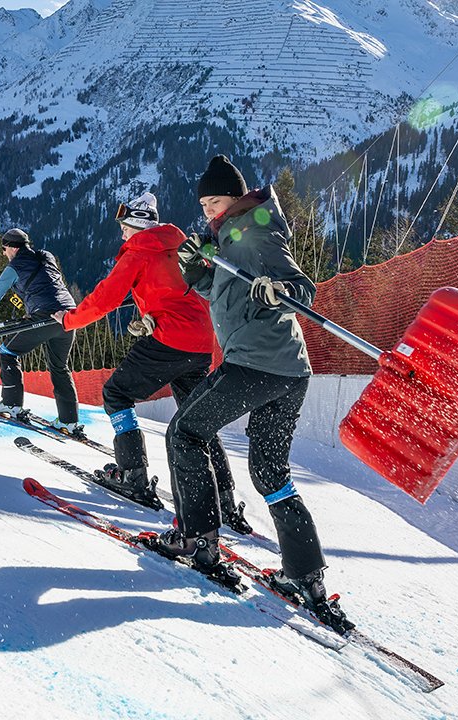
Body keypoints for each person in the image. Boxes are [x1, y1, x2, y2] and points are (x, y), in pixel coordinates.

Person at [145, 155, 353, 632]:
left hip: (257, 364)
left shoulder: (257, 229)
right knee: (269, 469)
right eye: (203, 205)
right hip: (289, 372)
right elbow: (218, 291)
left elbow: (304, 286)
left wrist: (279, 287)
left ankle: (198, 539)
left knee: (185, 433)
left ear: (236, 197)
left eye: (215, 202)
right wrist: (195, 268)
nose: (208, 212)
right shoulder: (228, 234)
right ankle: (305, 575)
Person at [52, 192, 252, 534]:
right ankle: (225, 497)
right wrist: (152, 317)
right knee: (196, 418)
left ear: (137, 225)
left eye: (124, 227)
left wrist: (69, 320)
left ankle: (133, 474)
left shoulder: (139, 250)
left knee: (116, 394)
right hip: (202, 341)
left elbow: (106, 297)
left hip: (170, 341)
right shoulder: (179, 243)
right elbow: (185, 291)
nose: (121, 234)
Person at [0, 228, 82, 433]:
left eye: (4, 248)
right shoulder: (47, 256)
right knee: (59, 366)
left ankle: (11, 403)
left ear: (11, 247)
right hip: (69, 316)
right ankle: (69, 420)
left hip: (45, 315)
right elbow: (49, 284)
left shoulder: (14, 266)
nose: (3, 253)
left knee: (7, 351)